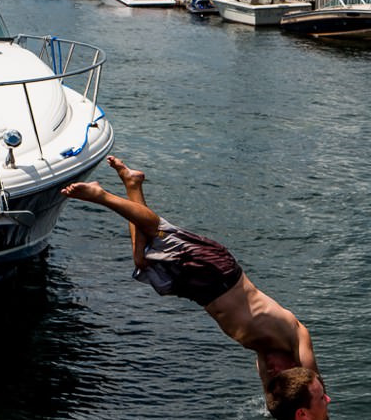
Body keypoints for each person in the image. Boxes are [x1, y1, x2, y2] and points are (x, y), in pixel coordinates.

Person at [62, 157, 315, 402]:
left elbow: (273, 398)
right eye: (279, 374)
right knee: (158, 232)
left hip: (202, 291)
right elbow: (315, 388)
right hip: (220, 274)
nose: (271, 372)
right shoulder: (296, 335)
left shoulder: (264, 355)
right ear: (295, 366)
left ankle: (132, 183)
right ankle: (101, 196)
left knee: (142, 260)